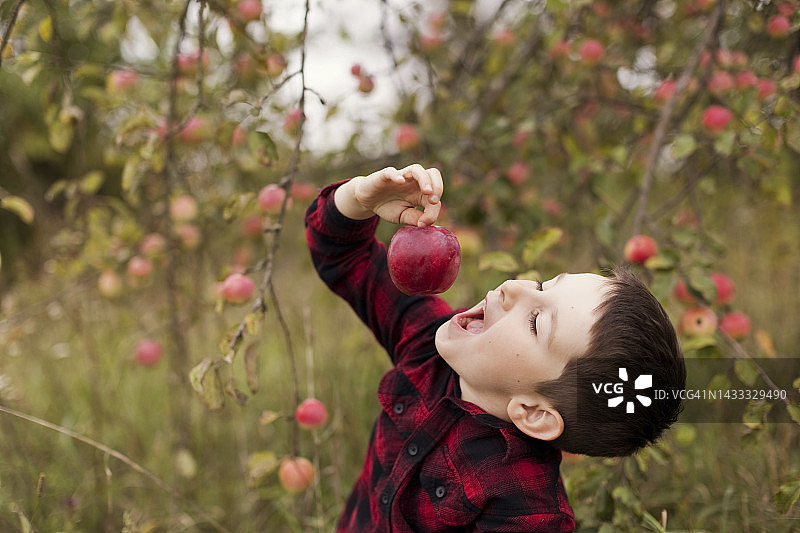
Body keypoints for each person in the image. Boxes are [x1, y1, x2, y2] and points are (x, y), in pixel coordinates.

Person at [305, 164, 686, 532]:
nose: (512, 286)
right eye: (541, 285)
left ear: (535, 413)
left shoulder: (526, 513)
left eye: (536, 321)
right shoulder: (426, 344)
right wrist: (358, 198)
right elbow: (345, 256)